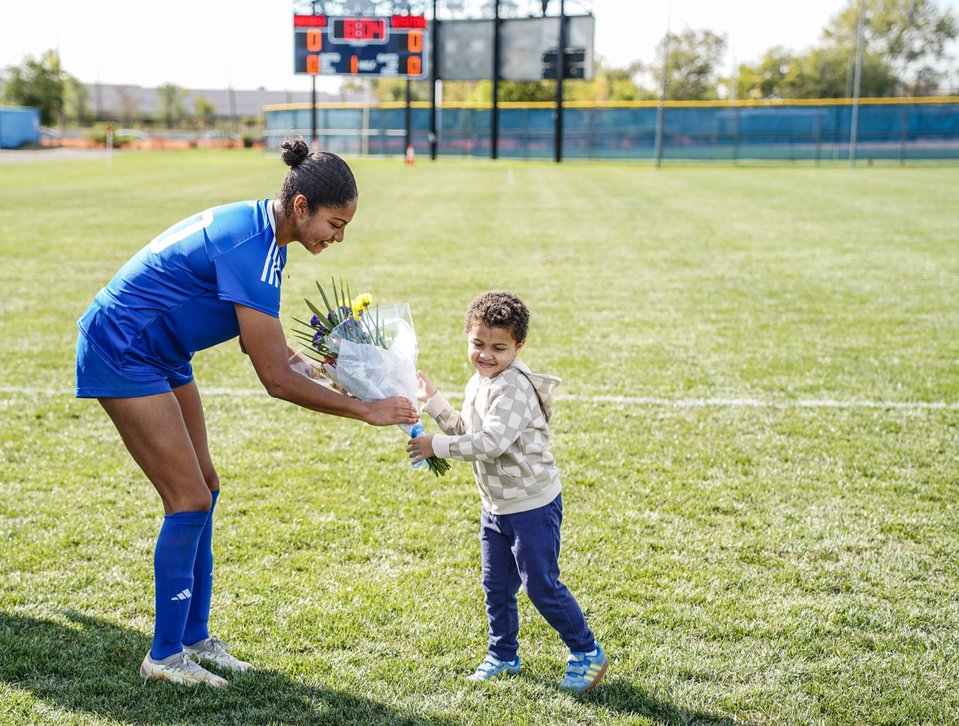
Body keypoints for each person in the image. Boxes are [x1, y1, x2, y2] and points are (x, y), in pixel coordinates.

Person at [76, 139, 419, 687]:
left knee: (205, 486)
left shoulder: (267, 235)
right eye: (335, 223)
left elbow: (279, 353)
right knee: (185, 497)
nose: (339, 237)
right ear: (301, 206)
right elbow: (274, 380)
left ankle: (195, 638)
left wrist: (335, 369)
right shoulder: (253, 245)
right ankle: (164, 656)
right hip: (122, 346)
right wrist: (365, 409)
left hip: (162, 350)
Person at [407, 291, 607, 694]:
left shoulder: (512, 387)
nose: (486, 355)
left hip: (532, 505)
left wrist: (436, 446)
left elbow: (492, 442)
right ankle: (503, 655)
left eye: (499, 348)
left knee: (541, 585)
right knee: (496, 585)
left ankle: (586, 652)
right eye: (478, 344)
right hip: (495, 506)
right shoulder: (479, 381)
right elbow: (470, 431)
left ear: (518, 347)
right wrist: (435, 403)